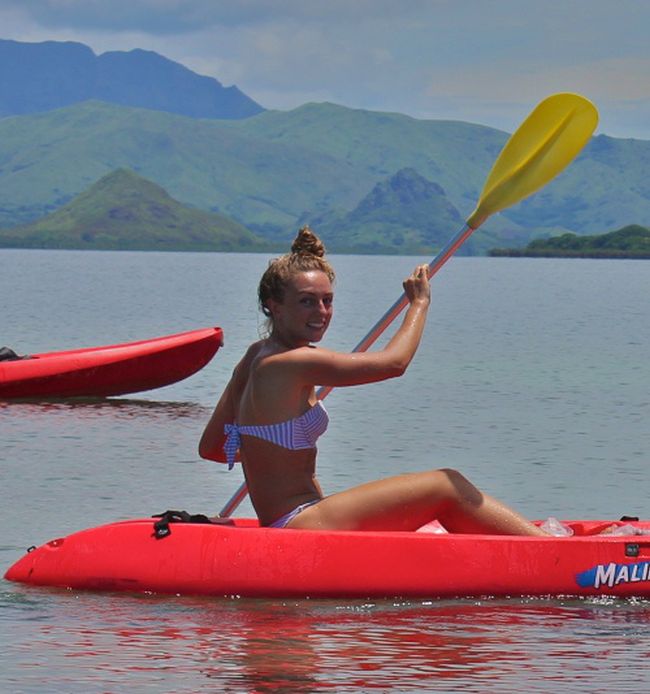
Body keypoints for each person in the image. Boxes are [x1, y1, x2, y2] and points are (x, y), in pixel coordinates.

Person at [199, 226, 547, 536]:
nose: (320, 312)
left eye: (327, 300)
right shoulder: (293, 362)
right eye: (306, 302)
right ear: (273, 306)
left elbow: (213, 447)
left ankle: (519, 546)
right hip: (300, 524)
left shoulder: (254, 357)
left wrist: (269, 457)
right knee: (446, 485)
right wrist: (419, 304)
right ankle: (548, 553)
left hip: (299, 519)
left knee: (430, 516)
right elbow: (394, 364)